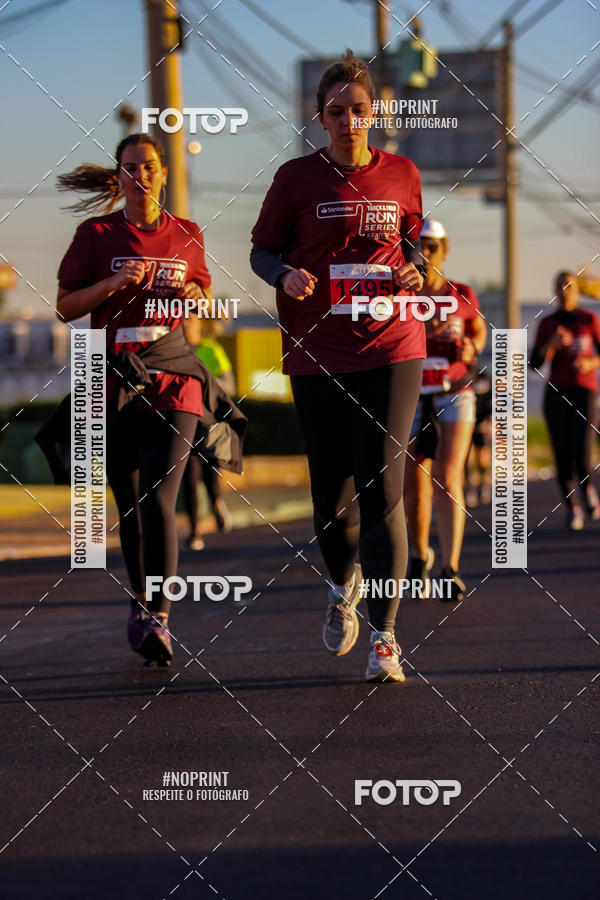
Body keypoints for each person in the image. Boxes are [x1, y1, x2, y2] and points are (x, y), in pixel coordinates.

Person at [250, 50, 426, 682]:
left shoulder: (402, 173)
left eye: (358, 109)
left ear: (373, 112)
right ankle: (340, 585)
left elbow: (411, 245)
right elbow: (261, 251)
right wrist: (285, 272)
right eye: (336, 112)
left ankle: (386, 635)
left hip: (391, 343)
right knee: (332, 488)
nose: (348, 121)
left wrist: (415, 269)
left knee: (383, 484)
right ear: (319, 117)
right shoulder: (297, 179)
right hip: (316, 349)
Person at [53, 133, 245, 666]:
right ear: (120, 177)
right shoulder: (96, 233)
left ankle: (160, 614)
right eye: (132, 168)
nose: (142, 176)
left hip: (174, 371)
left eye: (151, 167)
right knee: (131, 505)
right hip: (110, 373)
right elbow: (66, 307)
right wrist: (114, 282)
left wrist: (196, 297)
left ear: (163, 173)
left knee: (161, 495)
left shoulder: (187, 234)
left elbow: (206, 298)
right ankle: (141, 604)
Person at [404, 218, 487, 602]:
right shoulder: (402, 292)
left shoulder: (462, 293)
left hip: (454, 390)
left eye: (433, 246)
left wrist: (472, 346)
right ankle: (419, 557)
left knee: (447, 478)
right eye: (418, 245)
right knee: (412, 489)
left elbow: (477, 329)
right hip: (412, 394)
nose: (425, 252)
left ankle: (450, 569)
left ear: (445, 249)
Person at [529, 271, 600, 529]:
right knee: (561, 455)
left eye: (569, 285)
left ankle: (589, 489)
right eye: (559, 286)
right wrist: (551, 344)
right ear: (555, 291)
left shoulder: (589, 320)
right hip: (557, 393)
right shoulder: (548, 324)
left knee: (581, 452)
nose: (564, 290)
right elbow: (533, 363)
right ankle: (573, 508)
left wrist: (591, 361)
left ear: (576, 289)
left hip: (585, 391)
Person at [182, 318, 234, 550]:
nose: (183, 325)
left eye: (188, 321)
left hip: (211, 423)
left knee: (210, 475)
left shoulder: (211, 350)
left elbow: (230, 385)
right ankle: (194, 530)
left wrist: (203, 382)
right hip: (185, 424)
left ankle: (216, 503)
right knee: (189, 478)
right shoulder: (174, 352)